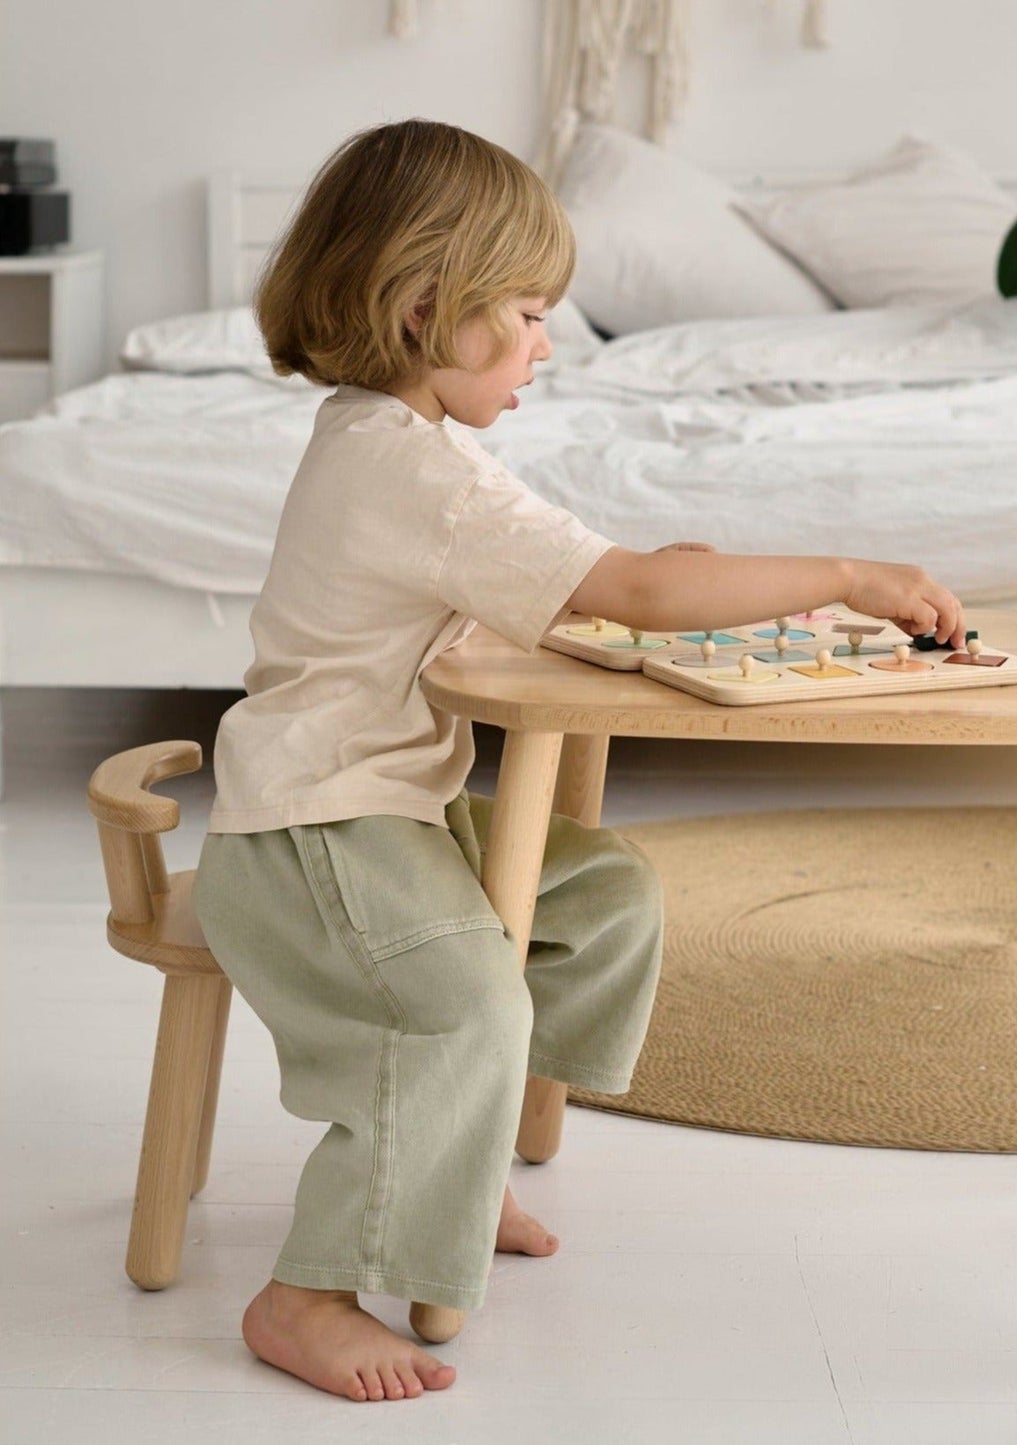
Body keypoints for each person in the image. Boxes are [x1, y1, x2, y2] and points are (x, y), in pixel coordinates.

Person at [192, 117, 967, 1405]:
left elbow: (578, 582)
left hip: (383, 809)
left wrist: (670, 585)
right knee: (465, 1003)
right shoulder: (406, 466)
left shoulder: (410, 449)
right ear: (426, 308)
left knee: (602, 900)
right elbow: (620, 586)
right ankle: (306, 1292)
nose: (550, 345)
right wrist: (847, 575)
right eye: (534, 314)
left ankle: (453, 1153)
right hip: (309, 829)